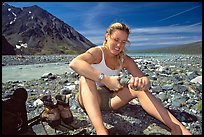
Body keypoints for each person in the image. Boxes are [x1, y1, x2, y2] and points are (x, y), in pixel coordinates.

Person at [69, 22, 192, 135]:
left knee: (139, 89)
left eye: (123, 42)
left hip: (110, 100)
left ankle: (177, 128)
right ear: (107, 36)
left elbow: (145, 79)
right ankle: (101, 130)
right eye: (116, 39)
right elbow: (75, 63)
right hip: (88, 99)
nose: (119, 45)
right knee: (86, 78)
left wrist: (143, 83)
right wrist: (105, 79)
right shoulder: (97, 52)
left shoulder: (124, 59)